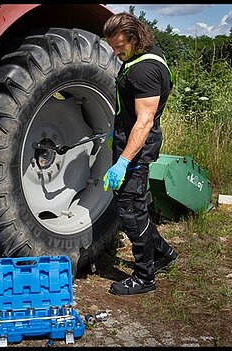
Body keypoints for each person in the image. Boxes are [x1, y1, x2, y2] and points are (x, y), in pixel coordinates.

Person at [102, 12, 178, 295]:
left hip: (136, 149)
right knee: (132, 206)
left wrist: (123, 162)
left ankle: (145, 276)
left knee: (131, 212)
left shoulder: (144, 70)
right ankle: (164, 253)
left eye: (119, 46)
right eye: (112, 46)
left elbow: (145, 121)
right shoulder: (141, 56)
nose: (116, 52)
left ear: (134, 38)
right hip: (127, 142)